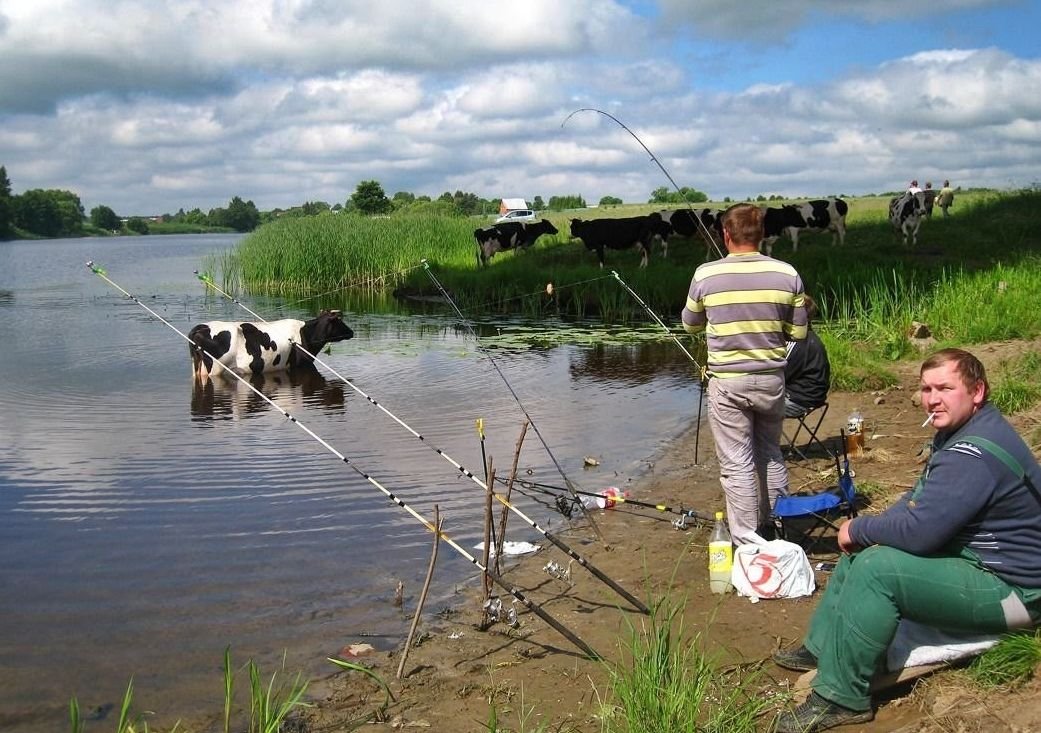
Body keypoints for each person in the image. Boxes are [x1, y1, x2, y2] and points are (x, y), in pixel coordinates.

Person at [773, 348, 1041, 732]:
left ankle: (840, 698)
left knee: (876, 570)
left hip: (1017, 592)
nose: (933, 399)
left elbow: (920, 533)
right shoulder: (962, 431)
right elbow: (916, 502)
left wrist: (858, 528)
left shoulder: (970, 452)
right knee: (865, 550)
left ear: (977, 391)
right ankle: (822, 648)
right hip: (981, 564)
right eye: (927, 389)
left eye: (945, 388)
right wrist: (868, 530)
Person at [681, 203, 807, 543]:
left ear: (725, 234)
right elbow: (798, 333)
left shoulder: (705, 275)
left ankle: (747, 540)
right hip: (771, 380)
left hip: (728, 384)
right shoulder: (788, 273)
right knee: (770, 452)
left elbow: (689, 324)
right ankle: (779, 526)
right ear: (762, 234)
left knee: (737, 463)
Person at [784, 293, 830, 418]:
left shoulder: (800, 342)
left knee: (752, 405)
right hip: (812, 397)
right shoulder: (810, 337)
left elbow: (780, 375)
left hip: (798, 401)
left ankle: (760, 438)